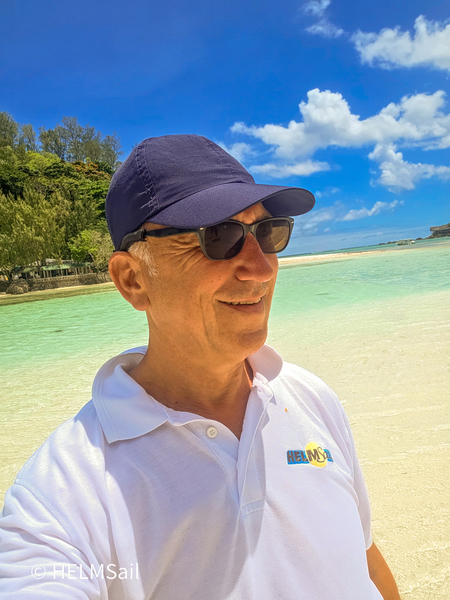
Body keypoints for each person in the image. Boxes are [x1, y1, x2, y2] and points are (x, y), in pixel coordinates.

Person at [0, 134, 401, 599]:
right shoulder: (66, 492)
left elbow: (362, 558)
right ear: (132, 279)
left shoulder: (309, 398)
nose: (262, 268)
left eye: (267, 233)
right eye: (220, 236)